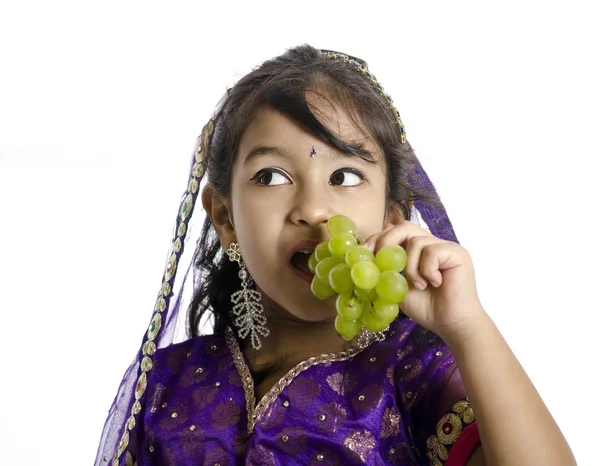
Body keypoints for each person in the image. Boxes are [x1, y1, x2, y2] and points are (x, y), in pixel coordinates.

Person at [95, 45, 576, 466]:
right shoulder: (164, 382)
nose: (311, 208)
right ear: (224, 218)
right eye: (271, 177)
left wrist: (468, 328)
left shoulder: (414, 371)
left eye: (345, 177)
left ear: (394, 216)